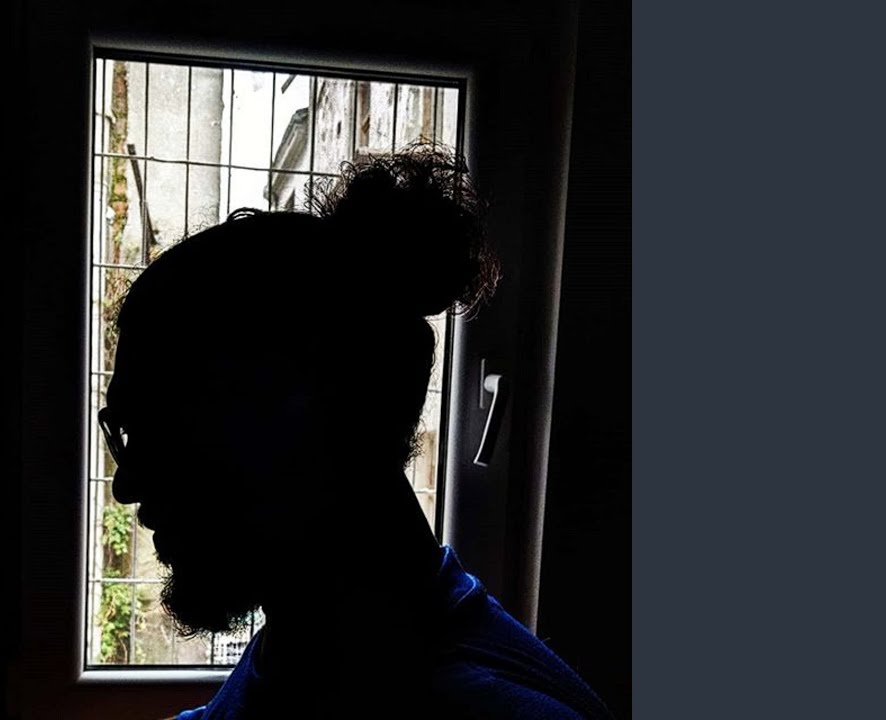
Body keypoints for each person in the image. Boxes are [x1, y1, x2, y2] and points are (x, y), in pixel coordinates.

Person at [101, 145, 613, 719]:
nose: (127, 484)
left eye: (158, 431)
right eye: (124, 432)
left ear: (309, 416)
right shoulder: (319, 638)